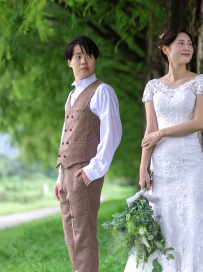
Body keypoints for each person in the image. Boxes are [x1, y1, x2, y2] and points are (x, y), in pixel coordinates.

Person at [124, 29, 203, 272]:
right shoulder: (153, 87)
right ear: (166, 49)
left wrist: (163, 133)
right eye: (180, 43)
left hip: (189, 162)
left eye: (190, 44)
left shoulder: (201, 81)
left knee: (190, 219)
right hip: (161, 165)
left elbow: (198, 123)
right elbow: (150, 131)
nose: (187, 48)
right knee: (162, 220)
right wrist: (143, 167)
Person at [55, 35, 122, 272]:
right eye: (78, 56)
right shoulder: (71, 96)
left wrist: (93, 170)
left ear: (95, 59)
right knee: (71, 236)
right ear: (69, 62)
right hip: (66, 174)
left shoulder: (103, 91)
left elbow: (112, 134)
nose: (84, 61)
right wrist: (59, 177)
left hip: (85, 173)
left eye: (89, 55)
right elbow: (67, 134)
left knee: (83, 236)